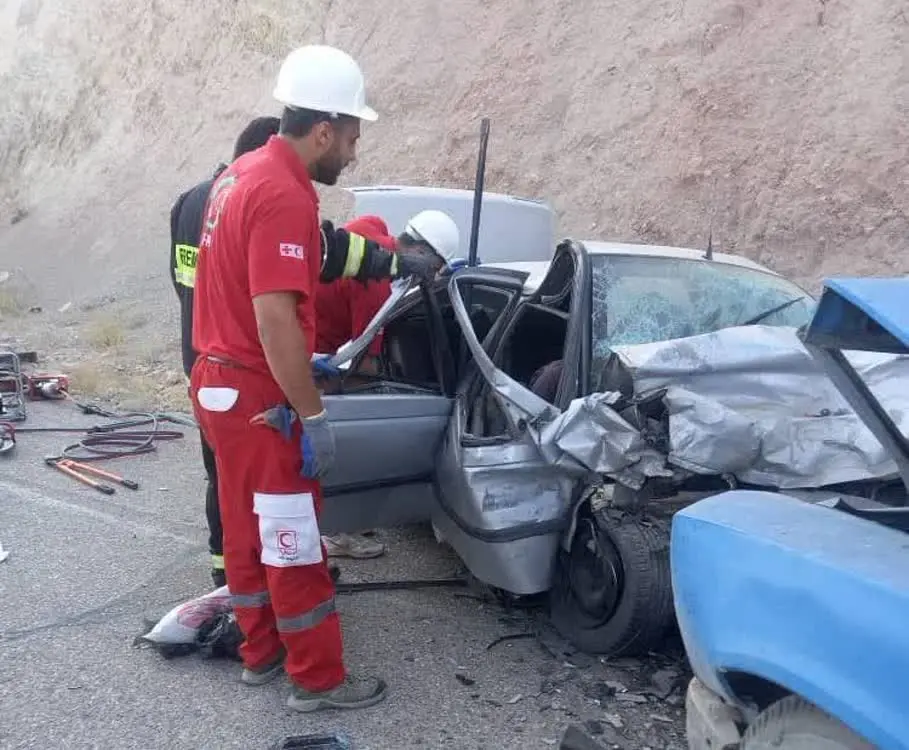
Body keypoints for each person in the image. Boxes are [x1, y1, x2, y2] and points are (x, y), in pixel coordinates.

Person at [189, 44, 442, 713]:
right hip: (259, 396)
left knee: (245, 532)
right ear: (324, 130)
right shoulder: (280, 194)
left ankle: (260, 654)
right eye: (352, 137)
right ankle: (317, 680)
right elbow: (273, 315)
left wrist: (383, 270)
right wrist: (314, 413)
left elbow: (283, 281)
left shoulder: (241, 173)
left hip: (218, 381)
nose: (353, 153)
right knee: (292, 539)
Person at [169, 116, 281, 589]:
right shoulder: (247, 199)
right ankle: (251, 577)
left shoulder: (191, 201)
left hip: (197, 355)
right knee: (255, 475)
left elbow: (181, 279)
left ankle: (226, 572)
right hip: (240, 361)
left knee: (218, 469)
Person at [314, 210, 461, 560]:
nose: (432, 276)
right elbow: (364, 363)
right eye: (434, 268)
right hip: (315, 354)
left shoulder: (372, 228)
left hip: (308, 334)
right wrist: (377, 409)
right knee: (333, 441)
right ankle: (336, 532)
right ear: (422, 255)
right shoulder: (378, 283)